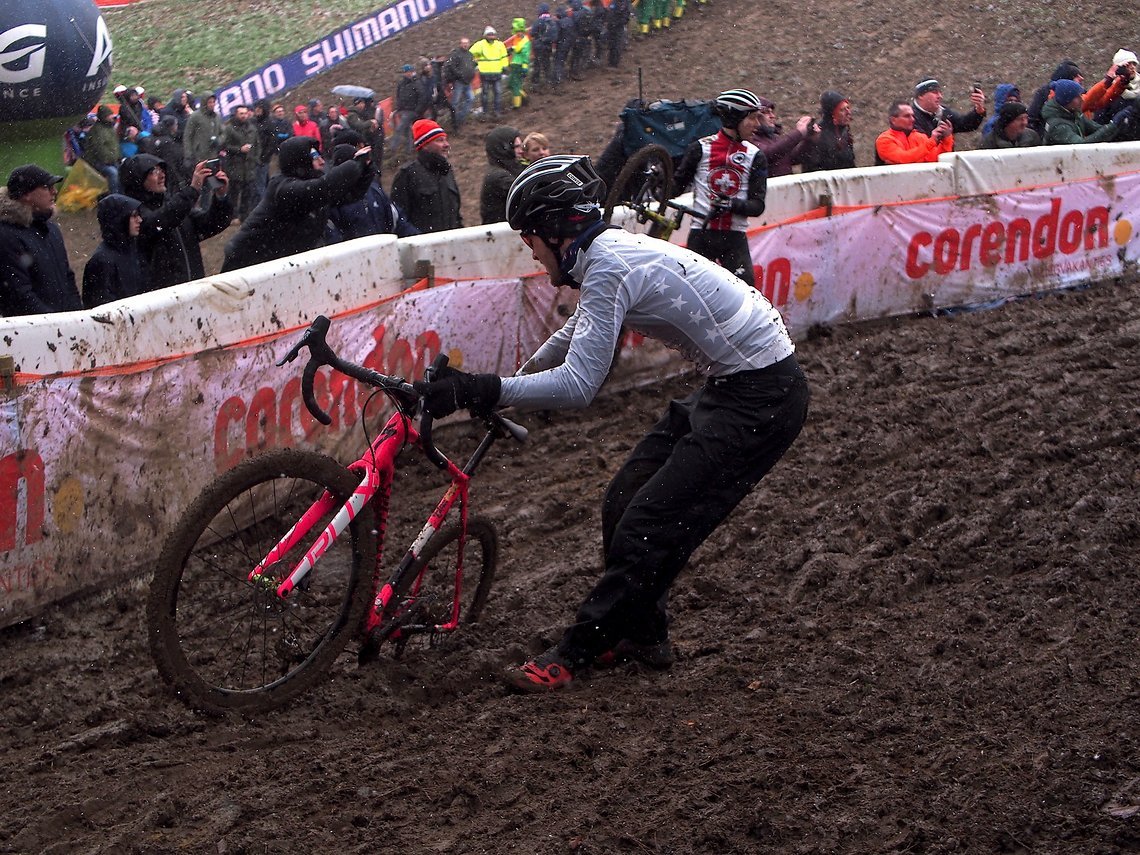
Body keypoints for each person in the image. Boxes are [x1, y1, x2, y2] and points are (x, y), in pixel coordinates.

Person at [412, 155, 809, 692]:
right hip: (736, 386)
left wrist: (486, 389)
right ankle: (644, 636)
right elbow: (576, 331)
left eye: (530, 241)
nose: (530, 254)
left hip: (763, 399)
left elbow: (578, 386)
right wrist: (504, 387)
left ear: (556, 233)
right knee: (623, 500)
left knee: (650, 522)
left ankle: (577, 652)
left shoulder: (610, 264)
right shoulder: (606, 255)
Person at [221, 136, 374, 272]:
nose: (321, 161)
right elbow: (324, 188)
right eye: (314, 156)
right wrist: (355, 164)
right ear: (301, 160)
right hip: (247, 265)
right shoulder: (283, 188)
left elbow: (350, 195)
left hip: (279, 262)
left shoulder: (308, 182)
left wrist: (367, 169)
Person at [672, 88, 769, 288]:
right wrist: (658, 179)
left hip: (734, 238)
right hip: (701, 234)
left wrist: (731, 205)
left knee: (747, 296)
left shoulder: (755, 155)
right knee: (694, 298)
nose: (757, 125)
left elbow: (758, 206)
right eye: (752, 118)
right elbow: (673, 191)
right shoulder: (700, 148)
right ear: (734, 118)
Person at [120, 154, 233, 289]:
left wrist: (221, 197)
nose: (161, 175)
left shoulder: (174, 206)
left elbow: (211, 224)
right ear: (138, 179)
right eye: (153, 172)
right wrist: (193, 190)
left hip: (194, 291)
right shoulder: (134, 215)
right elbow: (158, 222)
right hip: (164, 299)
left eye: (162, 170)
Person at [0, 165, 81, 316]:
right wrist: (53, 324)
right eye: (46, 187)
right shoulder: (6, 236)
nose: (54, 192)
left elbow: (68, 278)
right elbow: (19, 294)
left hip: (64, 328)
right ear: (26, 195)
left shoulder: (52, 230)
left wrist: (77, 316)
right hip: (33, 331)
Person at [325, 144, 419, 242]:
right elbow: (333, 236)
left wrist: (418, 242)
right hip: (354, 254)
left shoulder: (374, 190)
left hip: (382, 252)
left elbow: (398, 222)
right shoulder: (334, 198)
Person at [389, 120, 463, 233]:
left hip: (452, 245)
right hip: (423, 247)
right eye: (439, 140)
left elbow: (456, 215)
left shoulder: (447, 172)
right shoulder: (407, 175)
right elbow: (399, 219)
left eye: (445, 139)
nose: (446, 144)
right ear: (425, 145)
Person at [82, 194, 149, 309]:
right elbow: (100, 306)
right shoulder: (102, 261)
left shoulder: (133, 250)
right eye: (134, 216)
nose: (140, 220)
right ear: (120, 220)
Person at [1042, 79, 1128, 145]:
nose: (1081, 99)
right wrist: (1113, 124)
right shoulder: (1058, 126)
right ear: (1066, 101)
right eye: (1077, 97)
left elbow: (1097, 129)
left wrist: (1118, 125)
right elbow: (1081, 145)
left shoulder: (1074, 114)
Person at [874, 100, 954, 165]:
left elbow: (937, 159)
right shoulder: (884, 140)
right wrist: (931, 141)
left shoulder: (919, 137)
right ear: (893, 120)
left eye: (912, 115)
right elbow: (903, 159)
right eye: (907, 116)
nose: (912, 119)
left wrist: (946, 139)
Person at [749, 98, 813, 178]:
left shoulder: (774, 137)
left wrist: (809, 139)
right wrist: (798, 132)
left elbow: (794, 158)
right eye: (766, 113)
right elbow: (769, 154)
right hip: (770, 189)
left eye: (772, 112)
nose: (772, 116)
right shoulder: (750, 138)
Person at [797, 90, 856, 173]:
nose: (848, 113)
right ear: (833, 115)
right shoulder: (817, 135)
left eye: (848, 108)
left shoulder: (844, 132)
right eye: (842, 110)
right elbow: (812, 168)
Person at [911, 77, 985, 143]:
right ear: (920, 95)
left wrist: (979, 108)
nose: (940, 96)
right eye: (935, 92)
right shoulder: (909, 117)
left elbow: (967, 125)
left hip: (945, 157)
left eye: (940, 92)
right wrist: (937, 137)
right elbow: (919, 147)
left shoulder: (943, 112)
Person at [220, 104, 260, 222]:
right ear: (236, 115)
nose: (243, 116)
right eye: (241, 113)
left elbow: (257, 144)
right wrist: (239, 149)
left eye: (245, 113)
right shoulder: (230, 128)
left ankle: (245, 215)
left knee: (247, 193)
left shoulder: (252, 128)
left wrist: (256, 158)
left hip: (249, 165)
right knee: (234, 193)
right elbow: (224, 146)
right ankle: (233, 216)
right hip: (235, 165)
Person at [480, 126, 525, 223]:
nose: (521, 151)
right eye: (516, 147)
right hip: (501, 234)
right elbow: (527, 193)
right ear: (504, 148)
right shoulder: (498, 176)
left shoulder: (512, 168)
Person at [1027, 60, 1082, 137]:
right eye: (1076, 76)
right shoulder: (1044, 92)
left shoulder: (1079, 92)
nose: (1081, 78)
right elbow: (1032, 117)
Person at [471, 25, 509, 118]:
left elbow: (504, 57)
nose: (491, 36)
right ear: (485, 36)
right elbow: (470, 53)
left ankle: (497, 111)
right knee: (485, 94)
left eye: (492, 34)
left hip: (497, 72)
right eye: (489, 34)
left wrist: (505, 66)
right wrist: (475, 60)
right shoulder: (480, 44)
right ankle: (485, 112)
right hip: (485, 73)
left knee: (498, 93)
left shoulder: (500, 45)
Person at [83, 104, 122, 193]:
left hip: (111, 160)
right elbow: (99, 149)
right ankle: (114, 195)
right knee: (113, 173)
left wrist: (118, 157)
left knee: (121, 171)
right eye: (109, 115)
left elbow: (115, 145)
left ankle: (121, 194)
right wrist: (110, 160)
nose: (112, 117)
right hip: (98, 161)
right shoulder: (96, 130)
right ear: (104, 117)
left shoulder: (110, 128)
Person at [442, 37, 478, 132]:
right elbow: (452, 66)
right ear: (460, 44)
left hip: (468, 81)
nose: (465, 45)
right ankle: (455, 122)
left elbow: (470, 64)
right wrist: (459, 75)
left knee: (470, 99)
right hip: (459, 81)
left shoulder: (470, 54)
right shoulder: (456, 54)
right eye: (463, 43)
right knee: (455, 102)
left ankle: (460, 118)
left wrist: (473, 68)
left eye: (467, 43)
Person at [184, 93, 223, 170]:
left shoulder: (216, 116)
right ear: (204, 103)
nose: (212, 104)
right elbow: (188, 136)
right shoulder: (195, 116)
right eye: (209, 102)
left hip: (214, 154)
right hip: (199, 156)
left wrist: (219, 141)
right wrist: (188, 155)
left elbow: (223, 132)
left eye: (213, 102)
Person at [391, 64, 422, 158]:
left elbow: (421, 96)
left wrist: (417, 110)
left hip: (411, 110)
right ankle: (409, 150)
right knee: (407, 131)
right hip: (402, 110)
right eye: (407, 72)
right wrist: (398, 107)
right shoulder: (401, 84)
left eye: (410, 71)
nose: (409, 73)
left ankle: (393, 148)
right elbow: (398, 95)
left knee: (399, 128)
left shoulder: (416, 83)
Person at [504, 18, 532, 110]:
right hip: (515, 64)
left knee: (514, 85)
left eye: (519, 31)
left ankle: (517, 105)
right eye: (517, 31)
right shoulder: (518, 39)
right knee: (512, 84)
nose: (518, 33)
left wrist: (524, 66)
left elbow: (525, 55)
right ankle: (524, 98)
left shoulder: (525, 41)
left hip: (519, 65)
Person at [530, 4, 558, 88]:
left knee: (537, 65)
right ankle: (549, 81)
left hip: (538, 46)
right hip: (547, 47)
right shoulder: (552, 22)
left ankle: (535, 83)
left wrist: (540, 38)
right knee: (547, 64)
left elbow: (532, 33)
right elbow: (555, 37)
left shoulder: (538, 21)